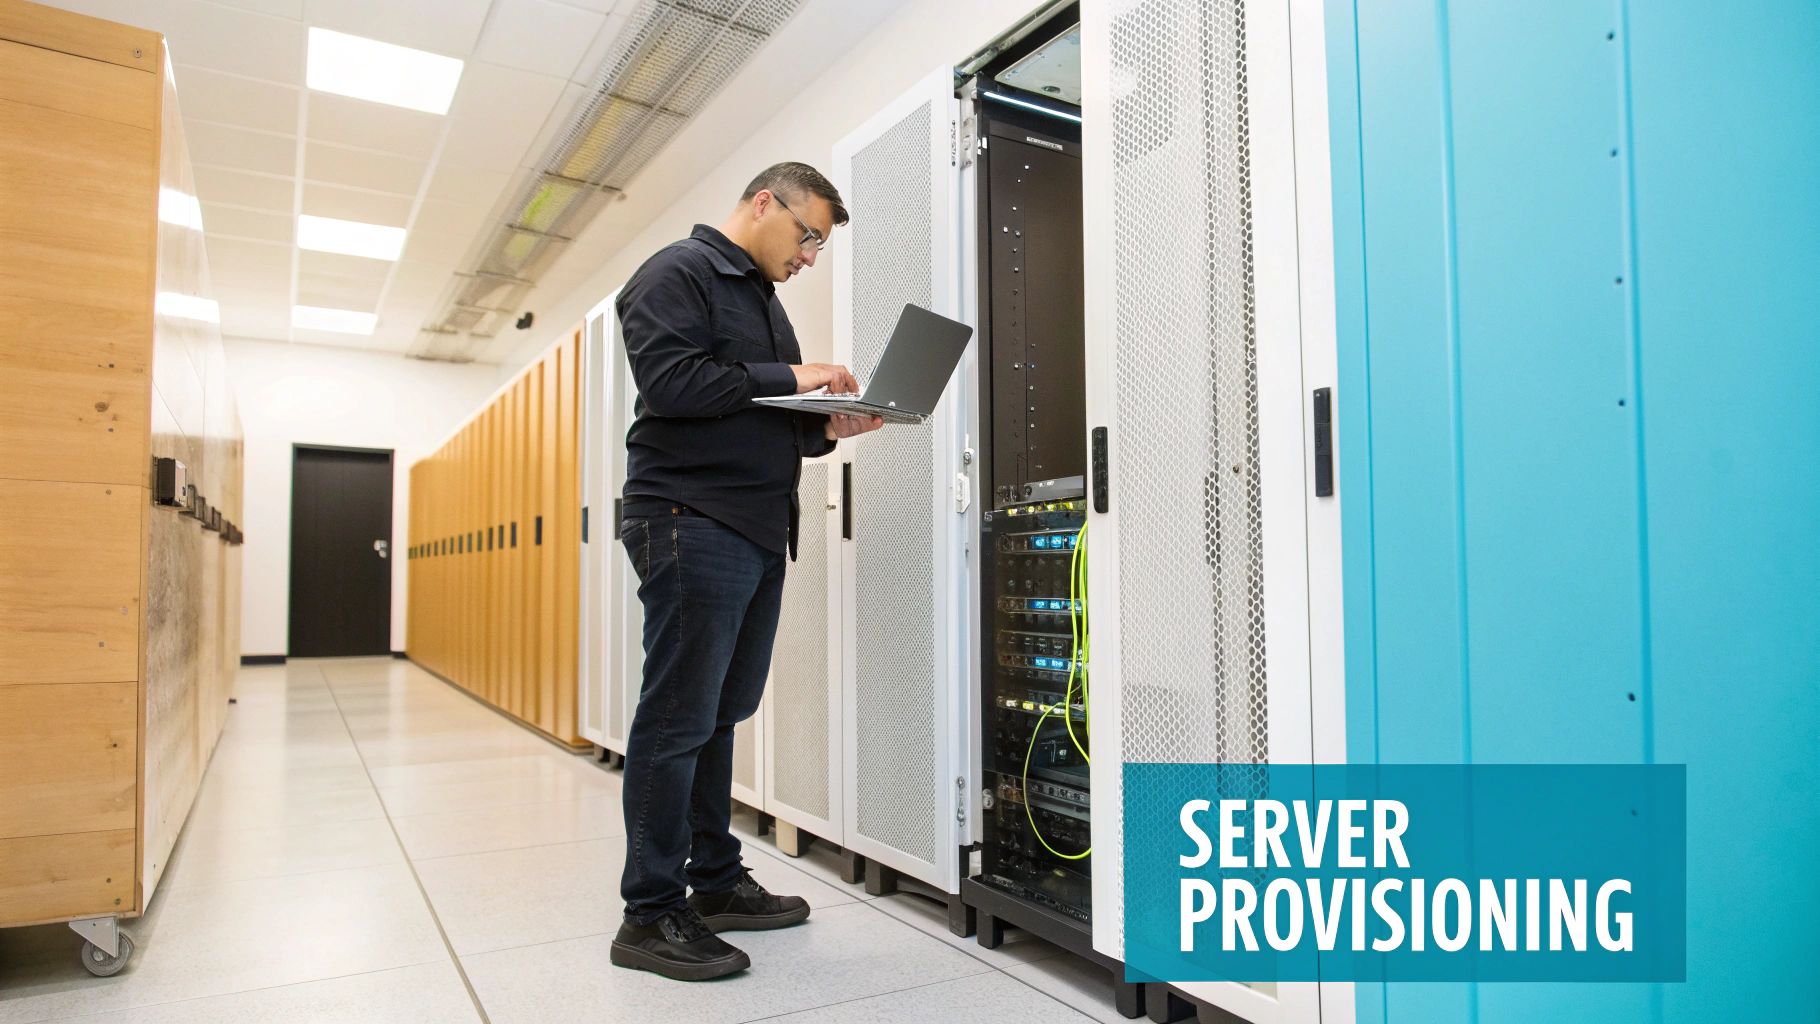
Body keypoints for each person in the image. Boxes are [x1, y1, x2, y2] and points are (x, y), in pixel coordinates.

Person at [609, 162, 883, 981]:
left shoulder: (764, 306)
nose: (808, 258)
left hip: (756, 526)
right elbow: (674, 384)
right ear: (764, 202)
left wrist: (829, 430)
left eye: (819, 248)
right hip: (690, 520)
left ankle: (716, 882)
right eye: (808, 236)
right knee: (678, 718)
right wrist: (796, 377)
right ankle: (649, 913)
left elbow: (757, 419)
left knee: (719, 713)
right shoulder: (675, 274)